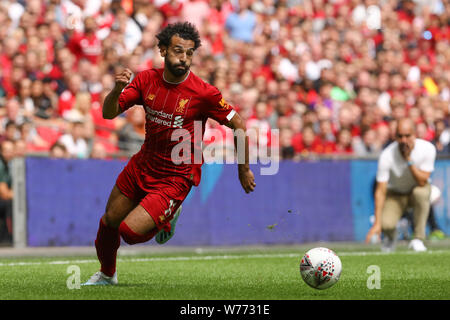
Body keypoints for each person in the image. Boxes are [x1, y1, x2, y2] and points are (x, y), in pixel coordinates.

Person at [83, 22, 255, 285]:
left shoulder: (203, 92)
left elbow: (239, 124)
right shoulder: (145, 80)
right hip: (143, 164)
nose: (184, 58)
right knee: (109, 223)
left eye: (189, 53)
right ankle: (107, 275)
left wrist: (243, 169)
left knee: (128, 232)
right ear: (163, 50)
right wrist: (117, 90)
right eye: (177, 51)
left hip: (175, 176)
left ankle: (168, 217)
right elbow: (109, 113)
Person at [365, 118, 436, 252]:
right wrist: (377, 223)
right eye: (400, 136)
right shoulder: (387, 155)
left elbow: (422, 181)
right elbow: (380, 191)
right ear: (395, 137)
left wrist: (409, 159)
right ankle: (390, 237)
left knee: (421, 192)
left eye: (407, 135)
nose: (403, 140)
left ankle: (418, 239)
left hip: (416, 189)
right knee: (386, 224)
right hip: (396, 194)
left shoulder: (427, 149)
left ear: (415, 134)